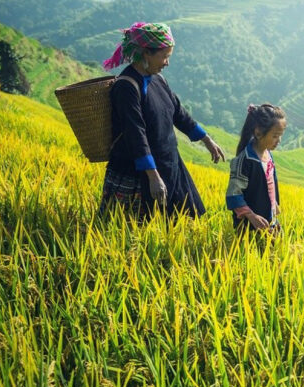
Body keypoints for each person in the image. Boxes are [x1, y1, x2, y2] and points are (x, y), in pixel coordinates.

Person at [98, 22, 225, 220]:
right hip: (139, 172)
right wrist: (153, 176)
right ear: (146, 53)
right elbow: (135, 133)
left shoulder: (158, 79)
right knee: (135, 230)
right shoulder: (127, 86)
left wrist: (207, 140)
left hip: (169, 164)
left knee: (187, 222)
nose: (167, 62)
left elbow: (178, 113)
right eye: (164, 56)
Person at [225, 103, 287, 233]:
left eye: (280, 135)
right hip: (249, 227)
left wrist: (274, 204)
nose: (279, 140)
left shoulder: (268, 155)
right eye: (275, 136)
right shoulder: (245, 160)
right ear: (258, 133)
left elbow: (269, 184)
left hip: (268, 221)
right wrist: (252, 216)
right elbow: (233, 194)